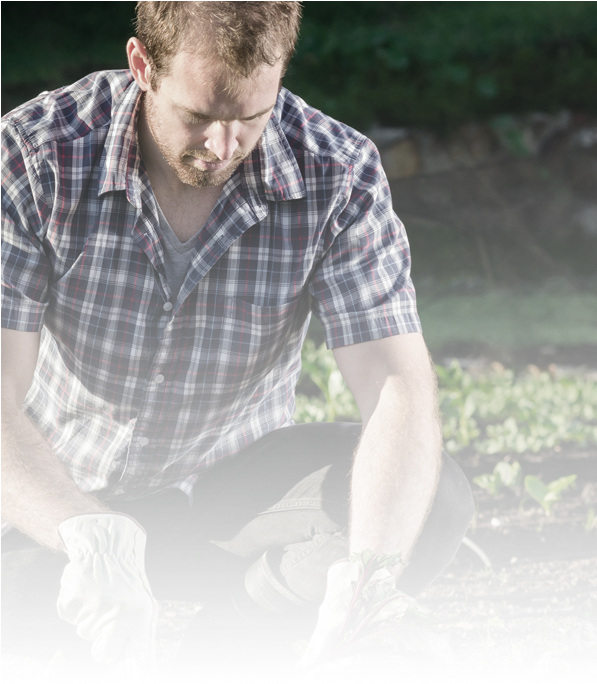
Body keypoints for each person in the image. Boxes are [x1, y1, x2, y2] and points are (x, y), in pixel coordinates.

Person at [0, 1, 474, 679]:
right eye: (198, 116)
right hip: (50, 512)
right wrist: (81, 529)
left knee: (430, 505)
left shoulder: (337, 172)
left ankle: (229, 658)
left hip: (224, 496)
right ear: (142, 65)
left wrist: (367, 575)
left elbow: (395, 383)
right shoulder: (36, 152)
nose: (223, 147)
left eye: (252, 116)